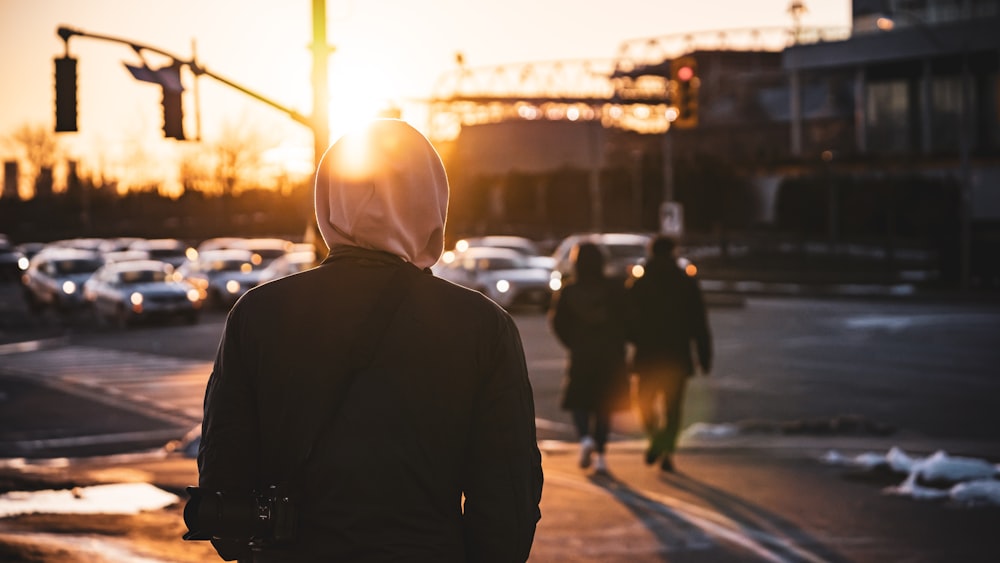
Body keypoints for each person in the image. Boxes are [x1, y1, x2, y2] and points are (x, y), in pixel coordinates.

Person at [196, 119, 543, 562]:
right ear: (432, 203)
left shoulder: (257, 315)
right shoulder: (482, 326)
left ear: (329, 201)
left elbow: (223, 484)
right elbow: (507, 505)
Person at [626, 235, 712, 472]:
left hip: (647, 354)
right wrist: (704, 356)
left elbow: (628, 317)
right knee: (673, 408)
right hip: (677, 354)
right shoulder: (685, 281)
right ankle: (667, 451)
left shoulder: (641, 281)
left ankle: (655, 437)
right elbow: (699, 322)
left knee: (643, 402)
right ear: (673, 251)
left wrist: (633, 338)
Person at [549, 242, 630, 474]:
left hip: (582, 353)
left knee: (580, 400)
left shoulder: (569, 291)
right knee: (604, 405)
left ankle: (585, 438)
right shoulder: (615, 289)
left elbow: (557, 322)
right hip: (611, 354)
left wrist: (573, 343)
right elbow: (628, 318)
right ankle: (602, 456)